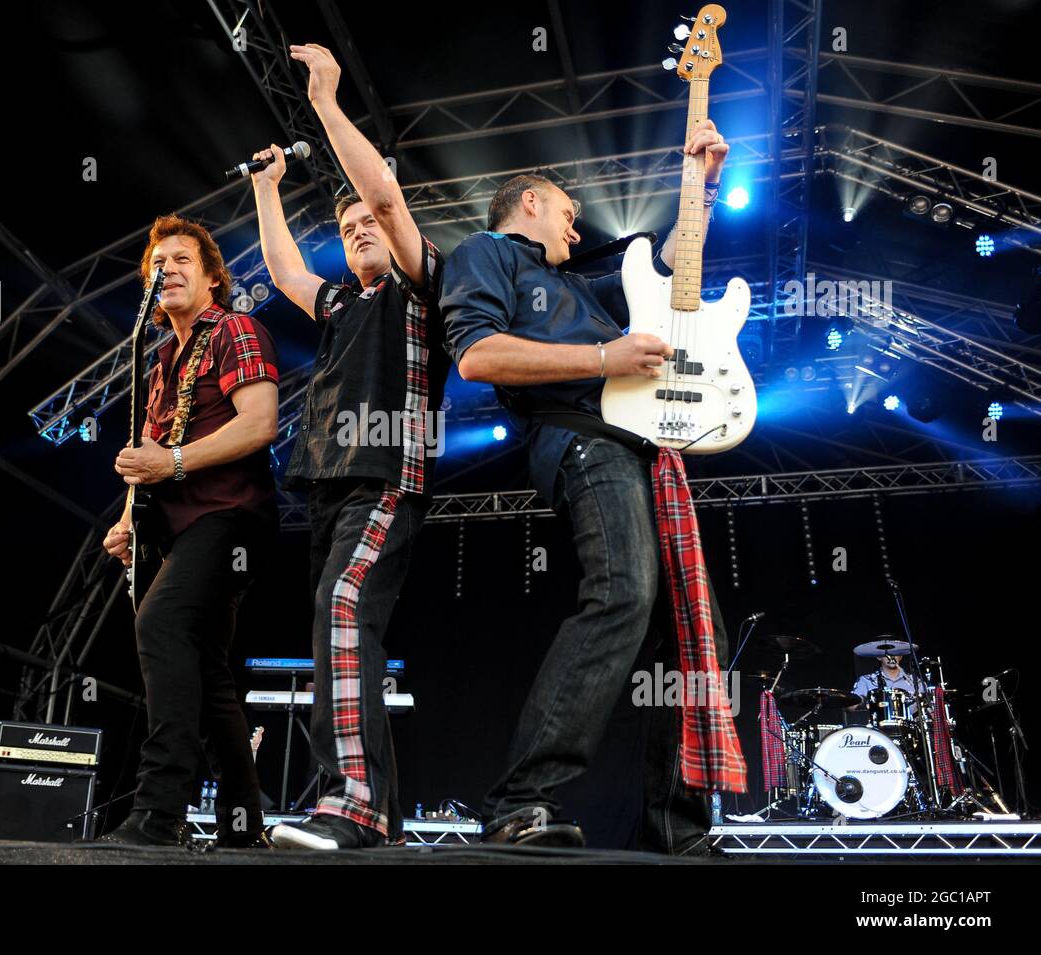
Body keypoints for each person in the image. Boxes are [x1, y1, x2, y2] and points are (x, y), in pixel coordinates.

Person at [439, 117, 744, 853]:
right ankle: (520, 798)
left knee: (689, 632)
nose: (577, 233)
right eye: (569, 216)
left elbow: (671, 262)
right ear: (531, 203)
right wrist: (605, 355)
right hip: (580, 439)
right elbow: (476, 355)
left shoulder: (576, 280)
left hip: (646, 448)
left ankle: (680, 825)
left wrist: (701, 182)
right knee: (624, 592)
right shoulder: (485, 254)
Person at [248, 42, 450, 850]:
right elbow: (283, 268)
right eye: (348, 225)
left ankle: (355, 800)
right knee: (342, 627)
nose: (362, 227)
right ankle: (381, 823)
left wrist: (327, 104)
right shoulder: (338, 301)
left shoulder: (419, 284)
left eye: (368, 220)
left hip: (385, 475)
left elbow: (389, 199)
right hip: (329, 484)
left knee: (341, 608)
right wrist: (267, 190)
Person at [99, 213, 280, 849]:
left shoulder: (235, 328)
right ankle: (241, 825)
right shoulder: (160, 362)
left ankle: (159, 810)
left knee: (161, 623)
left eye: (181, 260)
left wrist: (171, 461)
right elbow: (149, 458)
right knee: (209, 673)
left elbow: (259, 424)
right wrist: (127, 521)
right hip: (178, 525)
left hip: (231, 516)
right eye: (158, 264)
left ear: (210, 277)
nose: (167, 270)